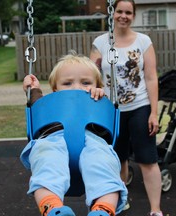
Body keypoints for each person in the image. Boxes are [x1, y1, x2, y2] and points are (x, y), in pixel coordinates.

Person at [20, 52, 127, 216]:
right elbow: (38, 105)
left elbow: (104, 118)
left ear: (97, 86)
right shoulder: (51, 105)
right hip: (53, 142)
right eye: (67, 83)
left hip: (93, 144)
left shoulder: (97, 99)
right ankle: (52, 208)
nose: (77, 88)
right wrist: (33, 89)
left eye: (86, 82)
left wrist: (101, 96)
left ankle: (103, 209)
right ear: (55, 89)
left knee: (104, 166)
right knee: (46, 161)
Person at [90, 0, 163, 216]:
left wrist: (154, 112)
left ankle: (155, 210)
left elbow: (151, 78)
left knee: (147, 159)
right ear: (112, 13)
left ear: (133, 15)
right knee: (117, 159)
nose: (123, 16)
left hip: (139, 107)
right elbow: (92, 76)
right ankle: (121, 201)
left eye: (128, 12)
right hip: (112, 110)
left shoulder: (143, 41)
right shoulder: (101, 42)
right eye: (119, 11)